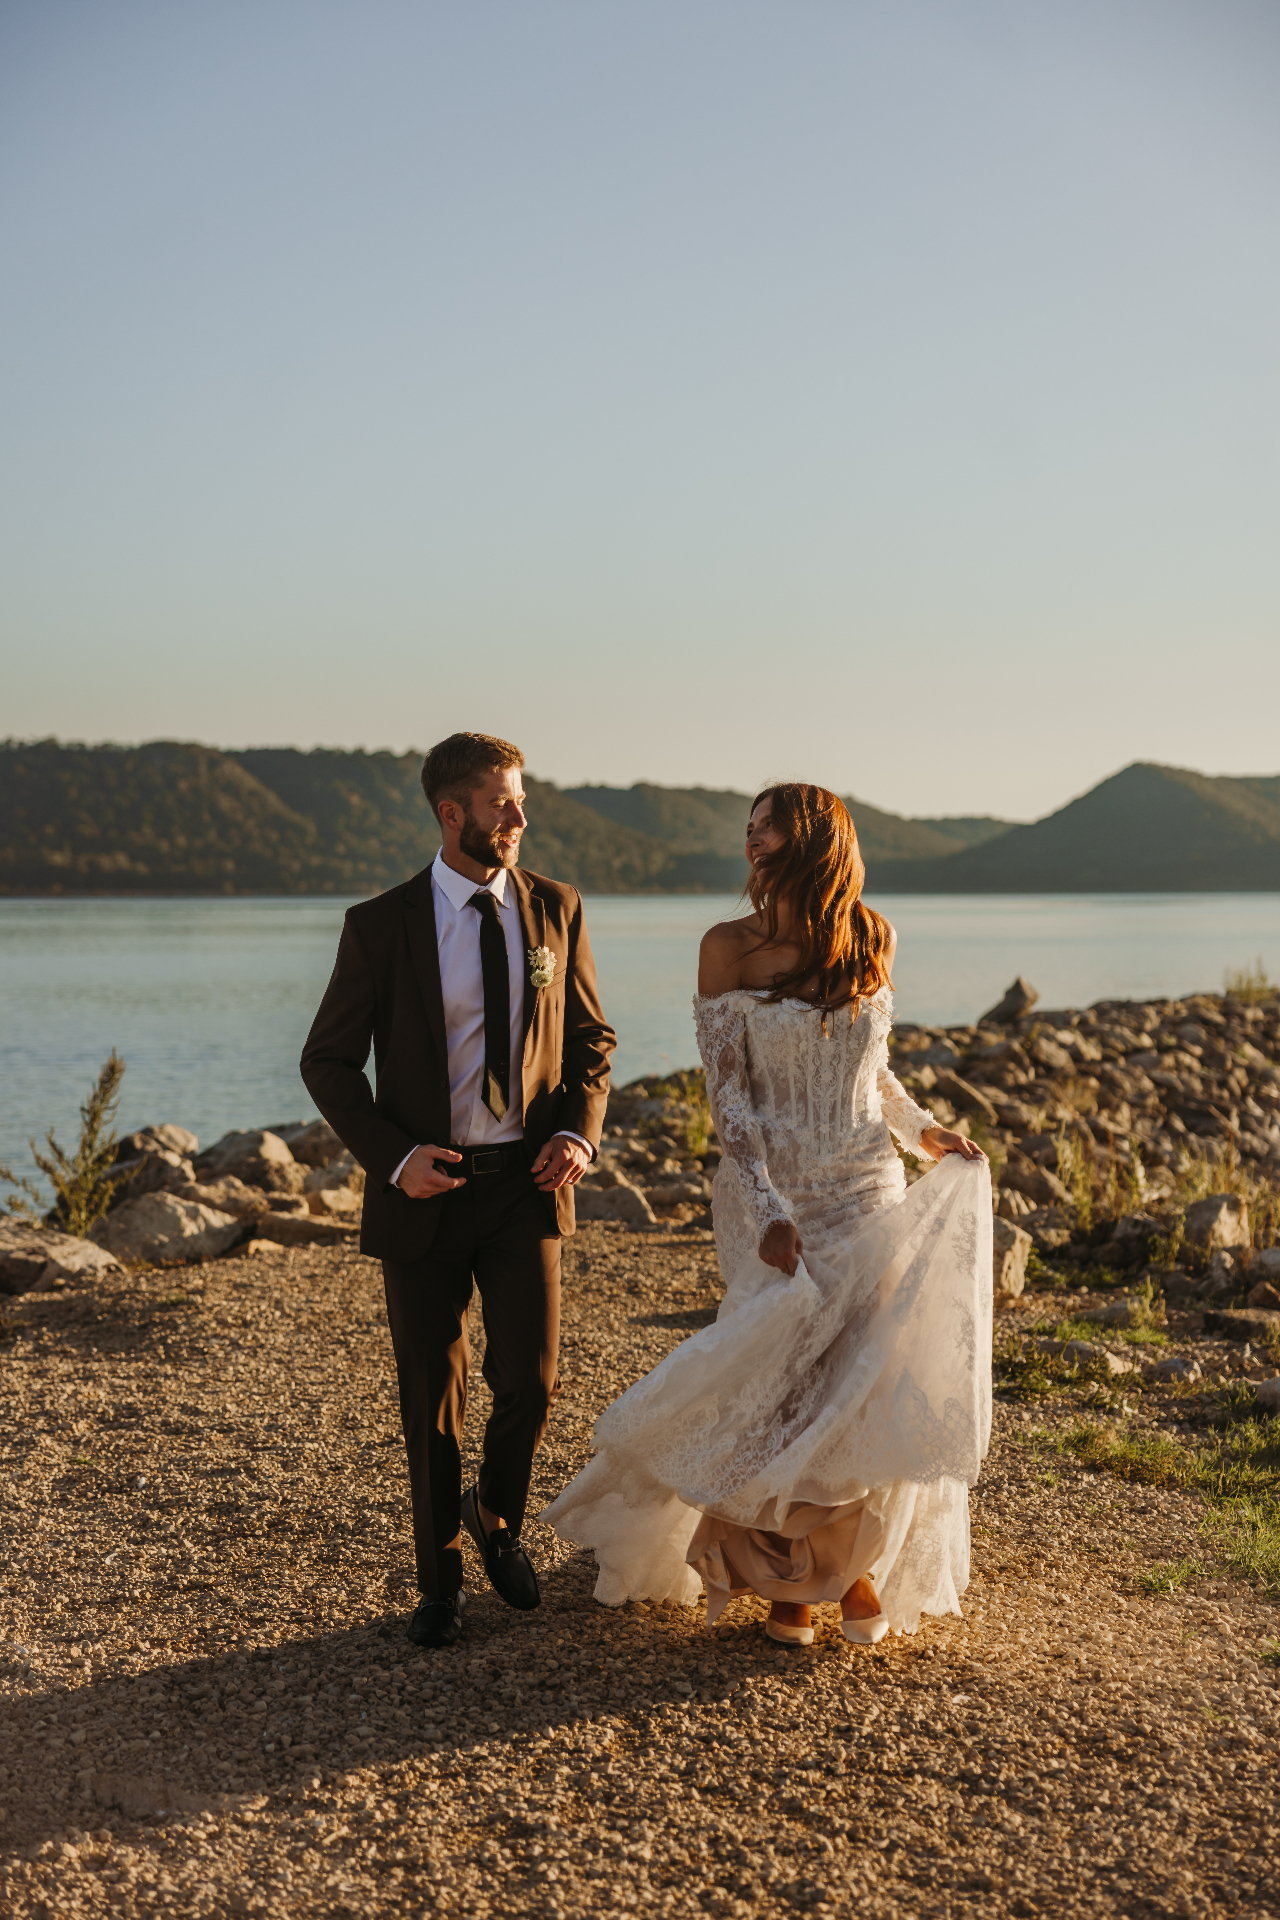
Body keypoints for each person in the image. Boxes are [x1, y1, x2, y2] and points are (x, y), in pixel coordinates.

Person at [544, 783, 991, 1647]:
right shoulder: (727, 947)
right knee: (782, 1385)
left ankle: (844, 1574)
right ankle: (792, 1579)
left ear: (814, 838)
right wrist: (767, 1209)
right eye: (747, 826)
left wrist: (926, 1131)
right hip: (775, 1193)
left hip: (868, 1183)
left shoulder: (873, 935)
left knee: (860, 1382)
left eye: (768, 824)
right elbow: (730, 1101)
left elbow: (874, 1075)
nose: (752, 839)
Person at [301, 732, 615, 1648]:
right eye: (502, 802)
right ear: (453, 813)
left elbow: (592, 1041)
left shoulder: (555, 908)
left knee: (535, 1379)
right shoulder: (381, 925)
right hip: (424, 1193)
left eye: (520, 800)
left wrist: (575, 1135)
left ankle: (497, 1515)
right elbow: (326, 1062)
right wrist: (396, 1159)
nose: (520, 816)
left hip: (525, 1185)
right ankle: (439, 1584)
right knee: (432, 1393)